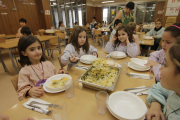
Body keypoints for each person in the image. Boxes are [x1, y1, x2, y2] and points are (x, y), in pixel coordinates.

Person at [17, 36, 68, 101]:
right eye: (32, 49)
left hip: (54, 96)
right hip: (39, 100)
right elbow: (21, 92)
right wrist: (29, 91)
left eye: (39, 48)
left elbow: (54, 76)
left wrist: (60, 73)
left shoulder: (48, 64)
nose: (37, 52)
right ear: (24, 53)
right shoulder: (24, 71)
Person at [145, 39, 180, 120]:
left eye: (165, 65)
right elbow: (157, 88)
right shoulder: (173, 89)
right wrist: (156, 106)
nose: (160, 68)